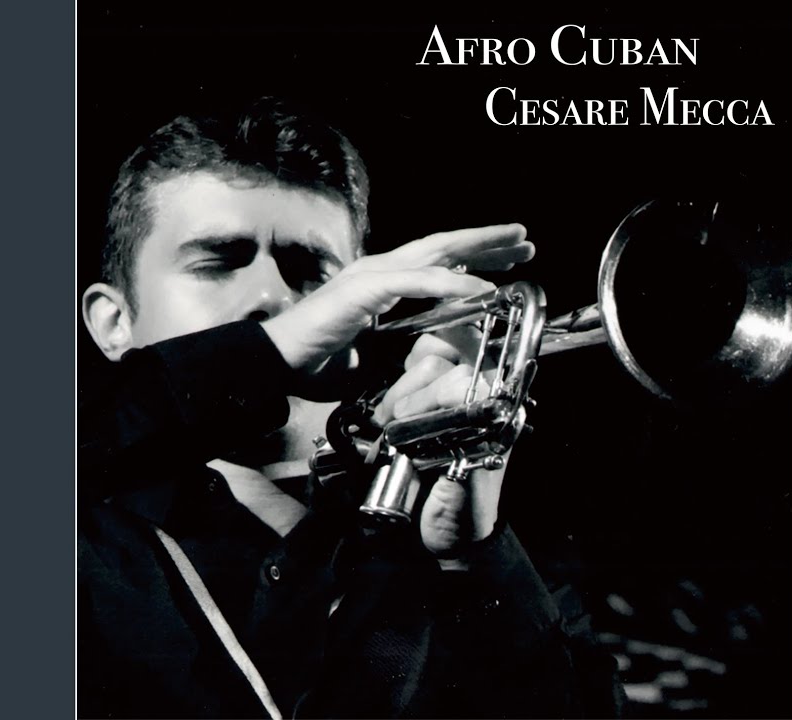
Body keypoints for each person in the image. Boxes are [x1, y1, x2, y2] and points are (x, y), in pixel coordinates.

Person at [79, 97, 623, 718]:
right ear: (113, 323)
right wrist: (270, 349)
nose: (271, 296)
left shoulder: (492, 550)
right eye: (218, 262)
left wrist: (472, 560)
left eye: (310, 271)